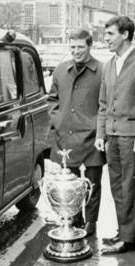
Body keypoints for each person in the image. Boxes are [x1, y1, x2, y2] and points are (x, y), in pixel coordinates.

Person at [94, 16, 135, 255]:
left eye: (110, 34)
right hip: (112, 136)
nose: (106, 39)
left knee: (132, 188)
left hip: (133, 138)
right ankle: (125, 232)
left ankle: (130, 238)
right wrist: (101, 132)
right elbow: (103, 102)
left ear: (124, 34)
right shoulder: (110, 63)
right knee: (117, 187)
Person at [48, 29, 105, 237]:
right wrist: (57, 119)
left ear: (89, 46)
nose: (76, 51)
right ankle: (74, 218)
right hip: (67, 136)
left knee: (92, 184)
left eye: (81, 47)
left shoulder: (102, 70)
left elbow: (105, 104)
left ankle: (91, 222)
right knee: (68, 184)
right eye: (73, 47)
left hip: (92, 138)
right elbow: (52, 99)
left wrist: (99, 130)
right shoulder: (61, 69)